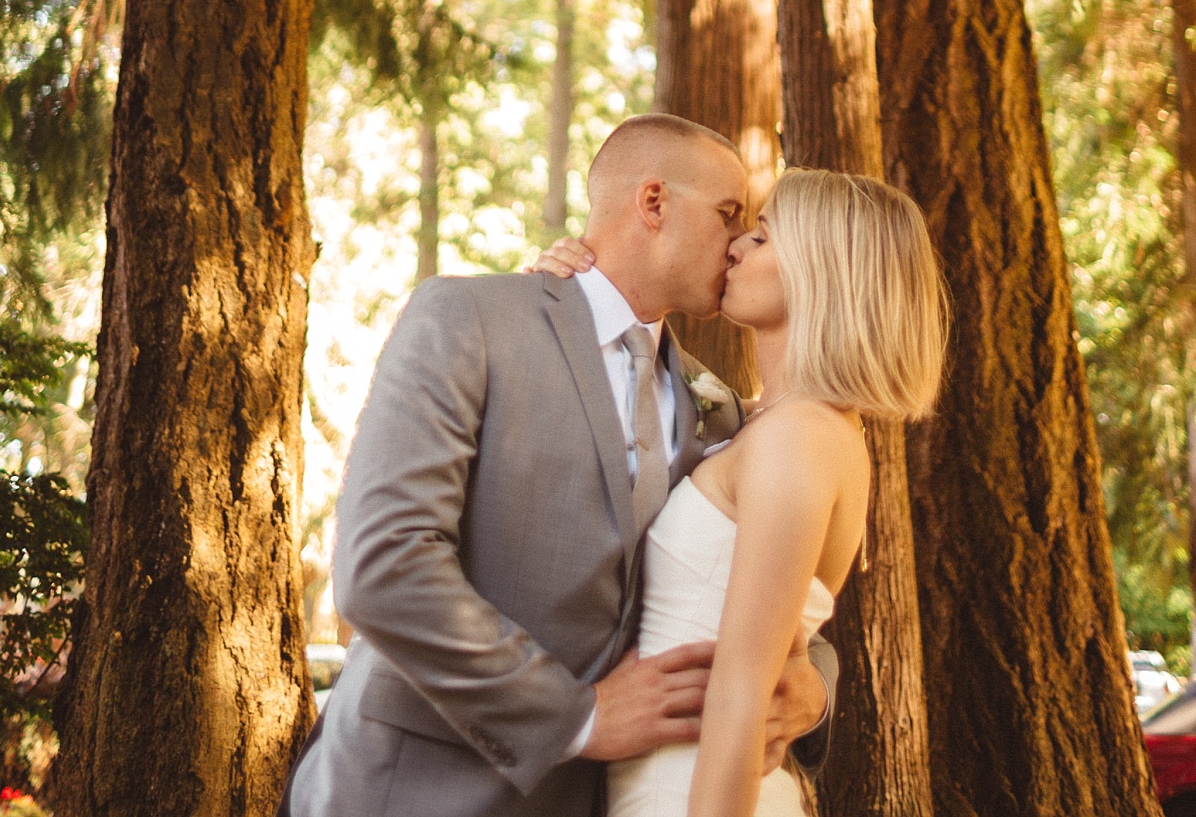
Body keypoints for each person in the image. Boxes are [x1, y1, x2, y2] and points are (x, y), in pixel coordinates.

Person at [281, 115, 836, 817]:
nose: (738, 244)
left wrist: (812, 688)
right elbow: (384, 563)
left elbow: (767, 591)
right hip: (406, 788)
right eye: (730, 215)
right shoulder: (469, 320)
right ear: (654, 202)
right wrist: (578, 716)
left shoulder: (718, 408)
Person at [541, 166, 948, 817]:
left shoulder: (801, 438)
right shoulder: (757, 421)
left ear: (825, 269)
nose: (734, 246)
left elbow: (743, 689)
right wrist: (572, 296)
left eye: (762, 236)